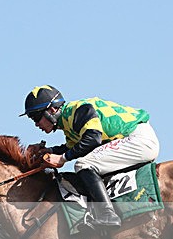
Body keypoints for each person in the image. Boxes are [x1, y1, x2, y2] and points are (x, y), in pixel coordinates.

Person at [21, 85, 160, 230]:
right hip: (136, 138)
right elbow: (73, 146)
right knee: (86, 163)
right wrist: (48, 151)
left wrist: (62, 158)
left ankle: (108, 214)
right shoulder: (69, 120)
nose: (36, 124)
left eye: (36, 117)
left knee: (83, 164)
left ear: (52, 110)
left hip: (138, 139)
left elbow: (93, 140)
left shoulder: (79, 110)